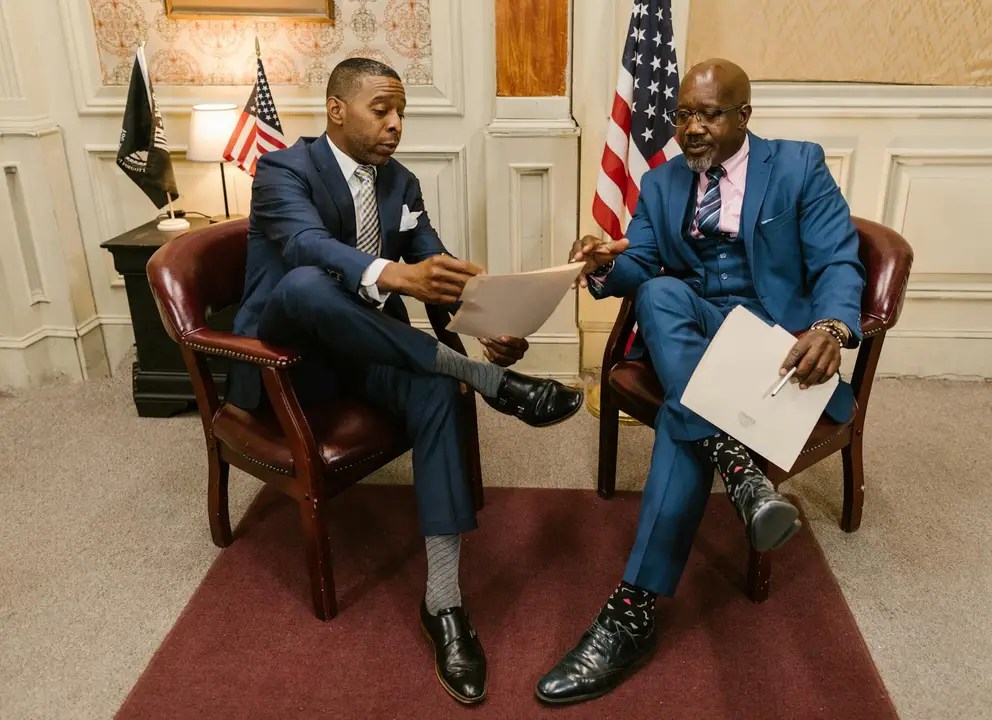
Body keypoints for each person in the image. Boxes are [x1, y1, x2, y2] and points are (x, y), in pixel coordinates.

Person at [227, 57, 583, 706]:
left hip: (367, 350)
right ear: (337, 109)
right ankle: (483, 381)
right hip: (286, 362)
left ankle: (443, 604)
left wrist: (486, 325)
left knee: (436, 392)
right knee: (307, 283)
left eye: (401, 114)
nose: (395, 125)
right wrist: (392, 279)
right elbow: (307, 248)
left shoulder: (401, 184)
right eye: (381, 110)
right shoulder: (284, 170)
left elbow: (435, 270)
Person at [535, 58, 866, 705]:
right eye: (684, 113)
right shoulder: (660, 184)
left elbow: (838, 261)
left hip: (774, 354)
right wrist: (608, 262)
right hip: (695, 338)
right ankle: (737, 467)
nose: (690, 127)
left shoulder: (799, 166)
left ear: (744, 115)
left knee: (679, 422)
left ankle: (632, 610)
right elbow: (642, 264)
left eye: (709, 113)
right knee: (658, 291)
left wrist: (832, 326)